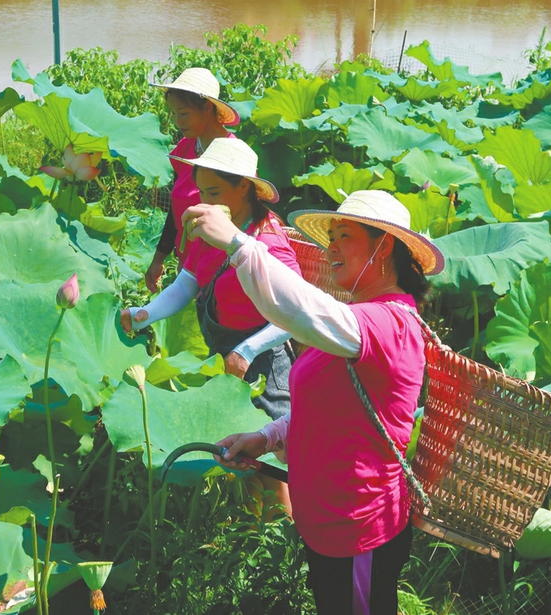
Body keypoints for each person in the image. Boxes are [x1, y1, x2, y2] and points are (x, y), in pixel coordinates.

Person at [184, 190, 445, 615]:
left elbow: (297, 307)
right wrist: (266, 437)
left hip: (360, 528)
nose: (332, 247)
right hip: (328, 525)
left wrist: (238, 243)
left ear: (384, 247)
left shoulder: (388, 322)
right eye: (331, 236)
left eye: (345, 235)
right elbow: (327, 408)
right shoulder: (356, 317)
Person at [120, 138, 302, 512]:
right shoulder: (212, 229)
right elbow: (187, 282)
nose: (204, 199)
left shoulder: (267, 242)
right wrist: (144, 314)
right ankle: (255, 531)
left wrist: (248, 350)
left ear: (245, 188)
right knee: (244, 459)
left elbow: (297, 315)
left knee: (270, 463)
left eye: (215, 190)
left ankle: (284, 544)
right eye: (201, 190)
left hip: (265, 358)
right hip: (227, 352)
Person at [145, 67, 239, 293]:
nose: (177, 121)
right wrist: (159, 259)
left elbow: (246, 219)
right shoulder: (185, 149)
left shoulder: (234, 156)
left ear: (207, 108)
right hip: (187, 268)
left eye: (184, 113)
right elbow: (176, 212)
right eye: (173, 113)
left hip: (224, 269)